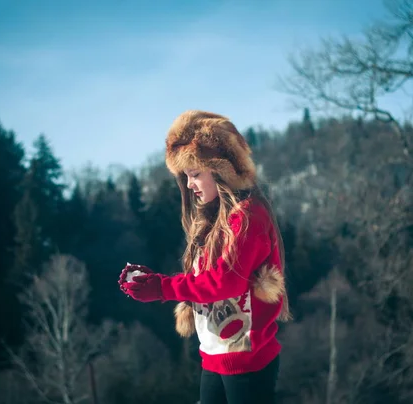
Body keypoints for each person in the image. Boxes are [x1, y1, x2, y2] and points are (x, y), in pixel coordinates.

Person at [118, 110, 291, 404]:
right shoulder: (211, 220)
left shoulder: (249, 215)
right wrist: (149, 280)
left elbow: (226, 282)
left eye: (195, 174)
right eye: (185, 176)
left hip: (248, 362)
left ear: (221, 169)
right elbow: (201, 281)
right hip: (214, 358)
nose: (189, 185)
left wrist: (161, 287)